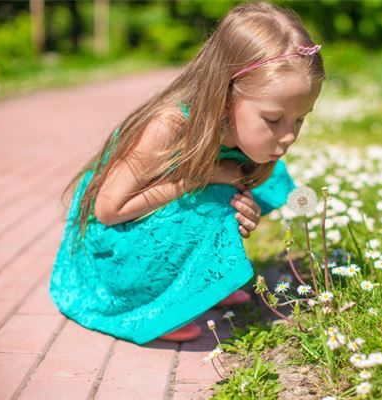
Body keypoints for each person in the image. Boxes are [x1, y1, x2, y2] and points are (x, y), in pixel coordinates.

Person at [49, 1, 325, 345]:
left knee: (256, 185)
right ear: (226, 96)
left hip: (152, 220)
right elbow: (107, 211)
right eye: (273, 119)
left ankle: (201, 282)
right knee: (209, 195)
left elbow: (238, 187)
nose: (288, 135)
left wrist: (245, 207)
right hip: (109, 253)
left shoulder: (251, 142)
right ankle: (157, 306)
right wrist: (198, 178)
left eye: (300, 119)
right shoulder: (169, 126)